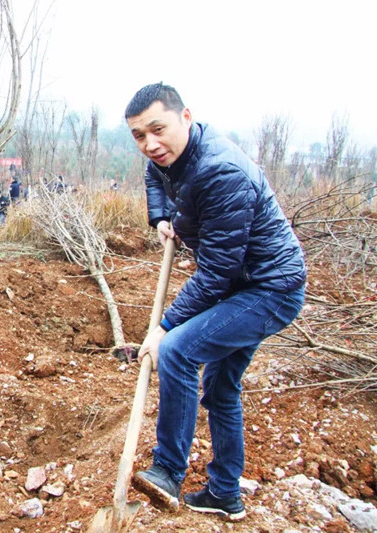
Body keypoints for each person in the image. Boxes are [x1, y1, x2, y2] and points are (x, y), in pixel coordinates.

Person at [125, 83, 306, 521]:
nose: (150, 144)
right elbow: (156, 176)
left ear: (185, 117)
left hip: (268, 289)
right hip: (240, 285)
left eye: (157, 129)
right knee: (221, 387)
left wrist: (163, 327)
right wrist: (162, 217)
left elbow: (216, 274)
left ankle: (167, 470)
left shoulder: (221, 172)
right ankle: (225, 494)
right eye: (138, 136)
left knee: (178, 351)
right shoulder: (172, 156)